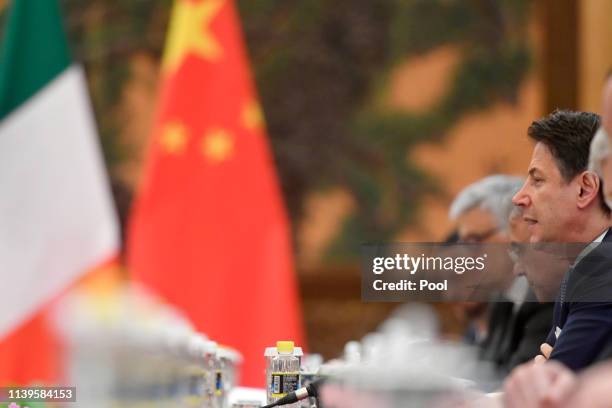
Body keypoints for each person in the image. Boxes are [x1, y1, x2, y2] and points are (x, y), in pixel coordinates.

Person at [449, 175, 552, 373]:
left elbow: (516, 387)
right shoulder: (501, 301)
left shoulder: (546, 297)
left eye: (473, 241)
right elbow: (486, 374)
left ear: (515, 228)